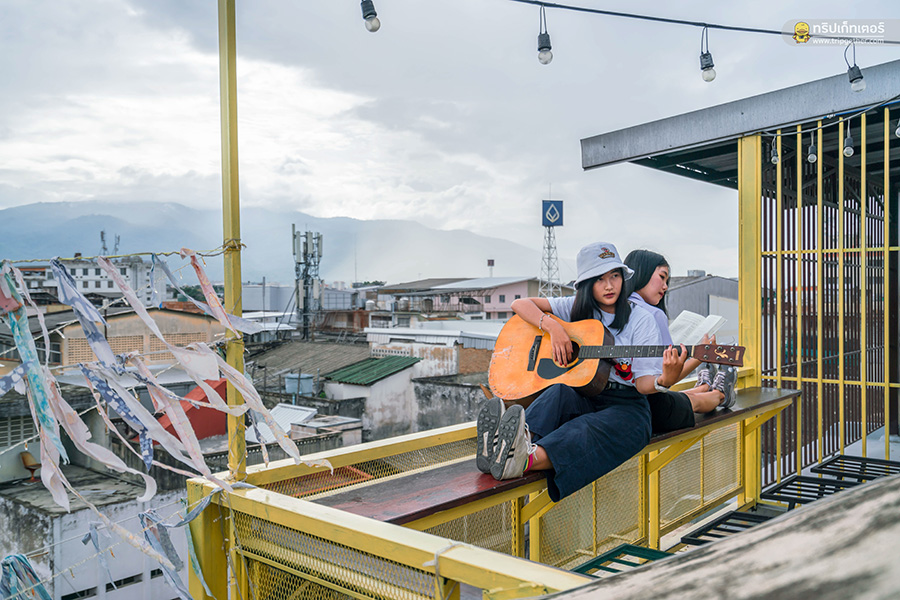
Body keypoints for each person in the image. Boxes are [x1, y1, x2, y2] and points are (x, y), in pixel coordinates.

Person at [476, 241, 683, 502]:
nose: (609, 286)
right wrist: (553, 327)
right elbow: (520, 304)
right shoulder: (575, 307)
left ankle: (522, 457)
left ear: (623, 278)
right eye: (599, 279)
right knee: (559, 392)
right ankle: (511, 441)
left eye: (615, 276)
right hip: (583, 392)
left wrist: (665, 380)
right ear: (587, 284)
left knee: (586, 429)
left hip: (627, 407)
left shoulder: (641, 319)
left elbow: (643, 384)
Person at [623, 249, 736, 435]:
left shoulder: (613, 310)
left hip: (622, 405)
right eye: (662, 277)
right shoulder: (653, 315)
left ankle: (704, 386)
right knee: (692, 402)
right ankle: (721, 394)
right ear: (642, 273)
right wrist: (700, 356)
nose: (665, 286)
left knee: (680, 396)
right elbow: (666, 379)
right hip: (650, 408)